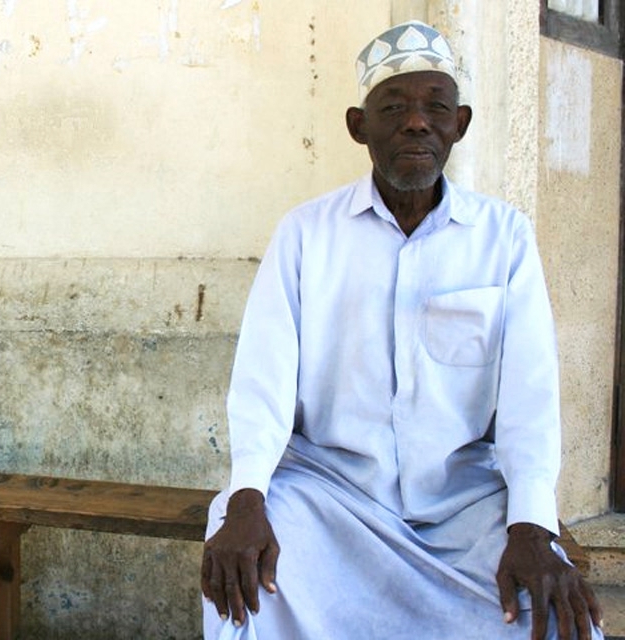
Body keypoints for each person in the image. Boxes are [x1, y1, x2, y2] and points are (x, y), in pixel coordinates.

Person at [200, 20, 605, 640]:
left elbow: (530, 395)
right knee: (246, 575)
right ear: (358, 126)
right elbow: (263, 379)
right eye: (394, 108)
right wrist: (247, 496)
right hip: (332, 496)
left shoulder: (504, 237)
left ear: (459, 124)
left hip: (464, 506)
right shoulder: (306, 234)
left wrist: (531, 524)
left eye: (435, 108)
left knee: (550, 612)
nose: (417, 122)